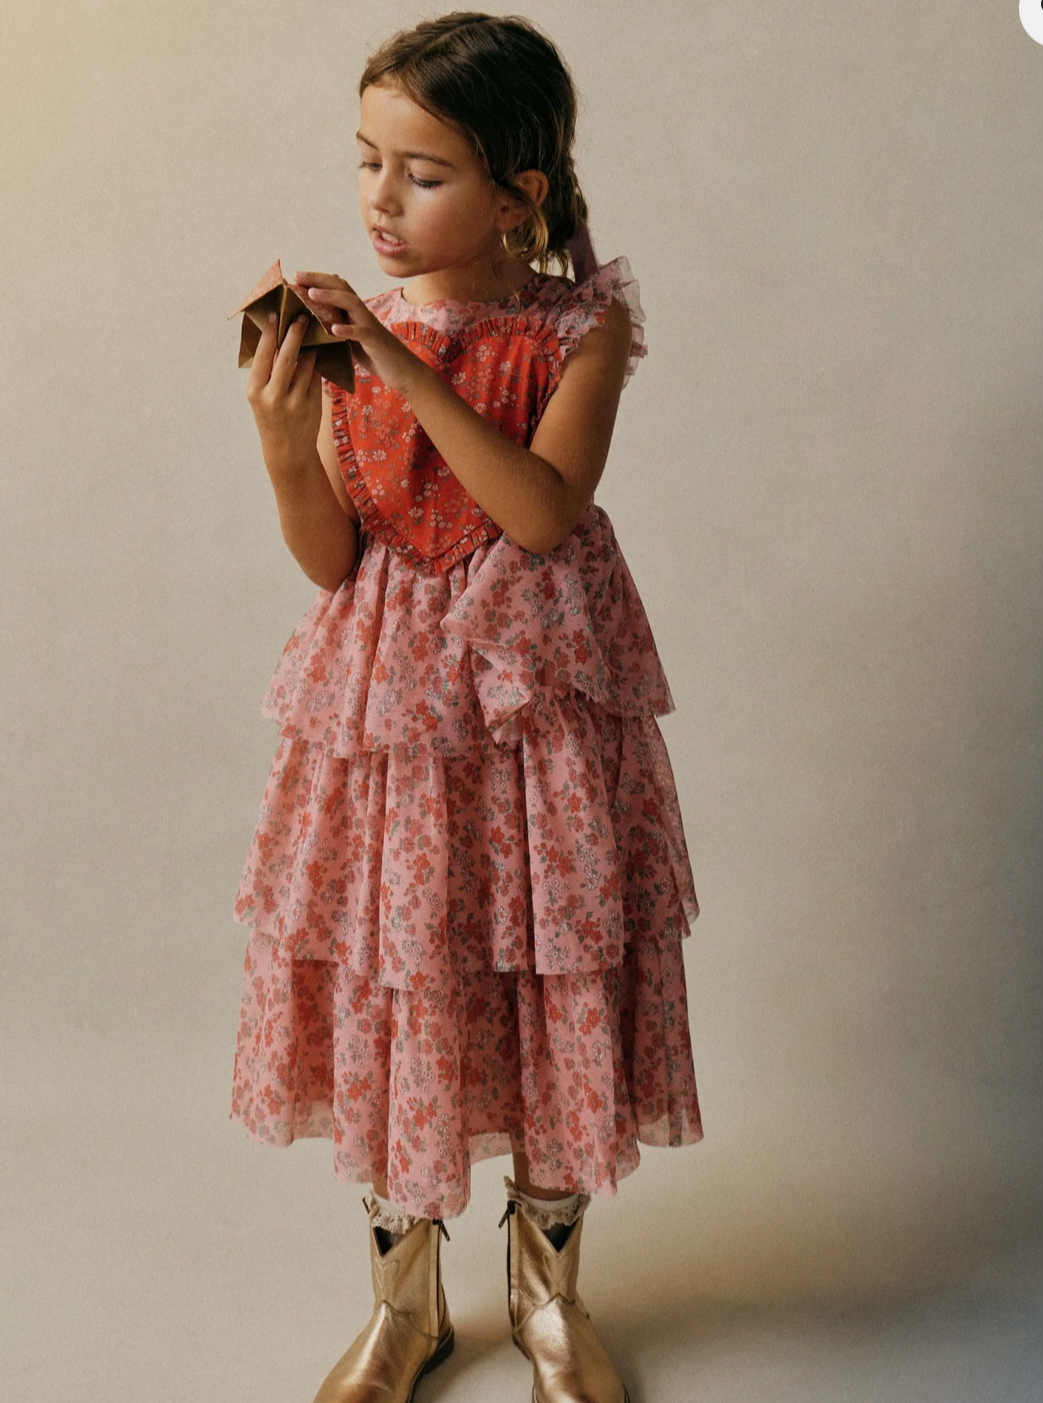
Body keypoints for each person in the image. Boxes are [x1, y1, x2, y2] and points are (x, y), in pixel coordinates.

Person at [231, 12, 703, 1403]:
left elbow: (541, 513)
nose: (378, 198)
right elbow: (333, 557)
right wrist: (282, 437)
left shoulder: (581, 327)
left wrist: (398, 359)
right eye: (366, 161)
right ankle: (404, 1305)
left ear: (519, 193)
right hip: (393, 710)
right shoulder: (344, 342)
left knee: (556, 972)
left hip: (538, 705)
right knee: (406, 982)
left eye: (421, 172)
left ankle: (550, 1295)